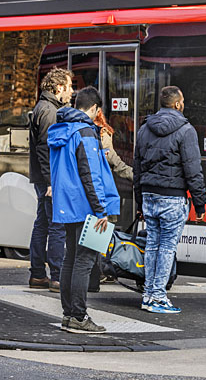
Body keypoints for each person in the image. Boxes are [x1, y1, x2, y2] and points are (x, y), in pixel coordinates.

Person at [48, 86, 120, 334]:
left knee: (71, 258)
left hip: (68, 205)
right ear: (95, 108)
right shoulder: (86, 132)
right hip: (89, 207)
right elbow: (91, 175)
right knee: (85, 260)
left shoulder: (62, 129)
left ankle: (69, 315)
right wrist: (101, 211)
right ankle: (79, 316)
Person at [134, 85, 206, 315]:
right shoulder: (186, 130)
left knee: (153, 245)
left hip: (149, 194)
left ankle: (148, 294)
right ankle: (158, 296)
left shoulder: (144, 128)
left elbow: (137, 168)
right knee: (167, 247)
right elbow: (193, 169)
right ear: (177, 104)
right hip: (172, 197)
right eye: (182, 101)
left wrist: (139, 200)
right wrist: (200, 203)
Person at [27, 67, 73, 292]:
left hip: (43, 177)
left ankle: (37, 274)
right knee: (56, 226)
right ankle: (56, 276)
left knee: (42, 223)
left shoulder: (43, 107)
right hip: (50, 179)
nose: (71, 92)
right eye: (69, 87)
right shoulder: (49, 111)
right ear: (58, 88)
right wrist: (51, 182)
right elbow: (46, 150)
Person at [88, 108, 134, 293]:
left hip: (85, 194)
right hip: (102, 193)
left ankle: (94, 274)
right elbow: (113, 161)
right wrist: (136, 176)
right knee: (98, 236)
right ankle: (97, 274)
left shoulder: (74, 130)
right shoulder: (101, 133)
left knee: (88, 240)